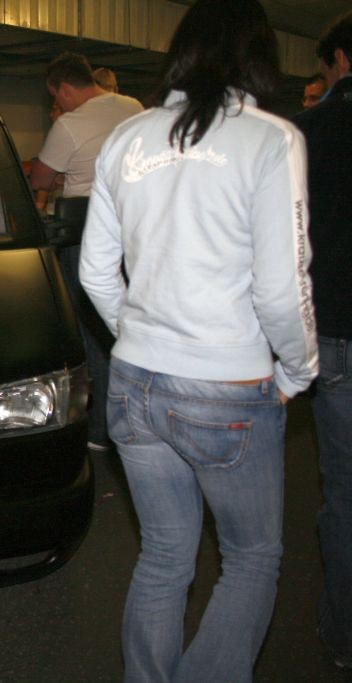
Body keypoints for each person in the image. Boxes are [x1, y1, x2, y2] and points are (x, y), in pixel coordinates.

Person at [79, 0, 318, 680]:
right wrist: (298, 370)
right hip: (226, 386)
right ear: (259, 56)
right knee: (251, 559)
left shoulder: (128, 137)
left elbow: (95, 271)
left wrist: (141, 335)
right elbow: (281, 285)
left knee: (163, 554)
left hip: (134, 383)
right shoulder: (270, 138)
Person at [30, 51, 143, 453]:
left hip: (87, 231)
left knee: (93, 333)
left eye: (55, 97)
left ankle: (100, 431)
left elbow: (41, 178)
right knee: (130, 325)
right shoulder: (133, 107)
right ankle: (136, 416)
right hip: (135, 230)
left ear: (63, 89)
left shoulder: (71, 124)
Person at [294, 10, 352, 671]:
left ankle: (344, 634)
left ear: (339, 60)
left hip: (337, 325)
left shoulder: (307, 134)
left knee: (346, 489)